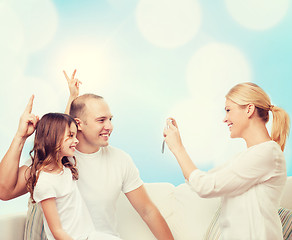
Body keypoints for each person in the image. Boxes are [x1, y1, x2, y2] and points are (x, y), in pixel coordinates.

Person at [0, 70, 174, 240]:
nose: (110, 126)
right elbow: (5, 191)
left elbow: (147, 211)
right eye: (101, 120)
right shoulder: (53, 161)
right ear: (79, 124)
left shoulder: (120, 160)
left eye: (110, 119)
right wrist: (20, 136)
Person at [163, 82, 290, 240]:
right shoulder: (248, 157)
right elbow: (200, 181)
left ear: (249, 109)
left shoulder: (268, 153)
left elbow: (204, 186)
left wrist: (178, 149)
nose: (225, 119)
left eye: (228, 110)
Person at [27, 112, 120, 240]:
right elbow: (57, 231)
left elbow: (62, 124)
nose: (76, 140)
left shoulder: (65, 167)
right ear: (52, 137)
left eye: (75, 135)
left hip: (89, 235)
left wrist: (72, 96)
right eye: (71, 135)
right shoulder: (45, 182)